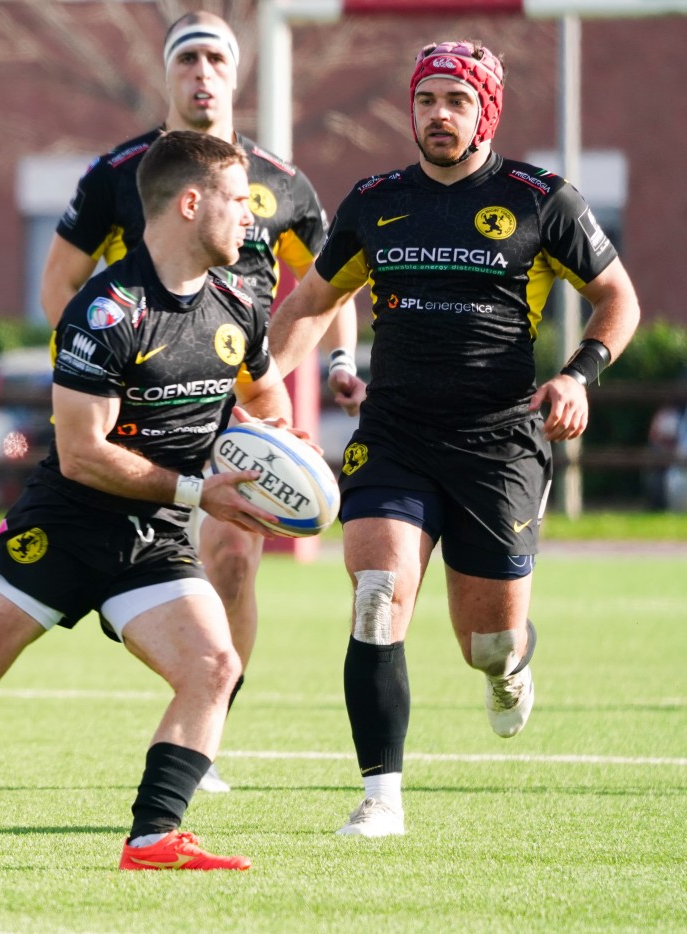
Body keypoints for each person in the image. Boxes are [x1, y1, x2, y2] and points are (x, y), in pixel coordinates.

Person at [0, 131, 296, 871]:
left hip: (157, 537)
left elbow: (262, 393)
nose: (250, 221)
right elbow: (83, 454)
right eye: (236, 202)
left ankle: (153, 837)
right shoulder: (107, 312)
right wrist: (202, 490)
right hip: (65, 526)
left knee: (214, 666)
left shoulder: (238, 304)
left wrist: (272, 447)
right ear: (190, 204)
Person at [267, 40, 640, 837]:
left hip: (498, 443)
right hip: (395, 432)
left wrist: (578, 374)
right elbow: (307, 304)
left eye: (457, 101)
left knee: (488, 642)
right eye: (427, 99)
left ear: (487, 113)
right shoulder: (374, 201)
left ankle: (511, 668)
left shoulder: (542, 199)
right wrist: (269, 392)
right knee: (376, 598)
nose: (439, 114)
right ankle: (381, 800)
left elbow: (619, 298)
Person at [39, 10, 362, 794]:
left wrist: (346, 358)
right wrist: (90, 375)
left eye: (217, 59)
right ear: (167, 75)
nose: (202, 74)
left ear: (237, 74)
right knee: (117, 549)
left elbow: (328, 283)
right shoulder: (119, 173)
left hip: (242, 401)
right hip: (145, 403)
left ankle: (206, 734)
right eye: (188, 61)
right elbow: (59, 282)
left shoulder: (281, 182)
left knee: (232, 561)